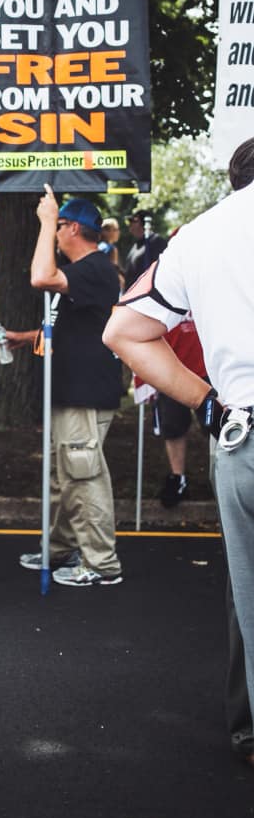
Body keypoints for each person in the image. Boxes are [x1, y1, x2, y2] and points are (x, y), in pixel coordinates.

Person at [103, 135, 254, 766]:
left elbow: (125, 331)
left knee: (247, 595)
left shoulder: (199, 235)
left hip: (242, 436)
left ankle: (248, 732)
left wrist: (208, 403)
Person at [6, 189, 124, 587]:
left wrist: (44, 219)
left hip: (84, 392)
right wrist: (25, 338)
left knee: (83, 476)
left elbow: (40, 276)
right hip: (71, 390)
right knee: (66, 477)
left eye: (57, 228)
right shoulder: (82, 273)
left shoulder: (93, 268)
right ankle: (60, 548)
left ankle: (101, 563)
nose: (53, 235)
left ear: (72, 227)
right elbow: (71, 327)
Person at [123, 209, 167, 290]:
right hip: (131, 296)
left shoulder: (157, 242)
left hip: (146, 297)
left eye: (132, 221)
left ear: (143, 223)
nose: (130, 224)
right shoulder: (136, 245)